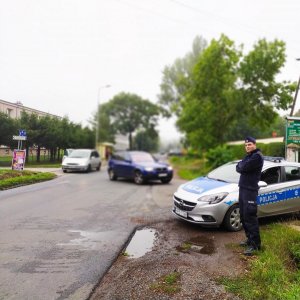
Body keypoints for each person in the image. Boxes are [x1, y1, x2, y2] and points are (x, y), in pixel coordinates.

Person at [236, 136, 264, 256]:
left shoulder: (257, 156)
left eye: (249, 145)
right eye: (246, 145)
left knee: (250, 217)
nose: (247, 147)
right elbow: (239, 167)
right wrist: (241, 166)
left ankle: (255, 245)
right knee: (243, 216)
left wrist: (241, 166)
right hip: (243, 189)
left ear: (254, 145)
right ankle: (249, 239)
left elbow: (242, 167)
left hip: (250, 191)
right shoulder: (249, 156)